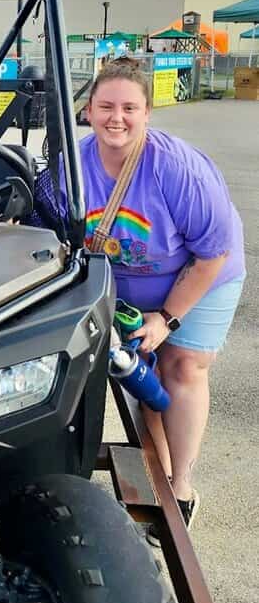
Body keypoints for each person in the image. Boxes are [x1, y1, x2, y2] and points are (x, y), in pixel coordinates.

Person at [77, 61, 245, 535]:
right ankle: (155, 473)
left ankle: (183, 485)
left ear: (148, 113)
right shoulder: (73, 164)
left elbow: (212, 252)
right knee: (144, 376)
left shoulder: (177, 168)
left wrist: (168, 318)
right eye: (106, 106)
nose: (117, 118)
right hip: (127, 280)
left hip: (198, 275)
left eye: (130, 108)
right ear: (87, 111)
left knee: (182, 367)